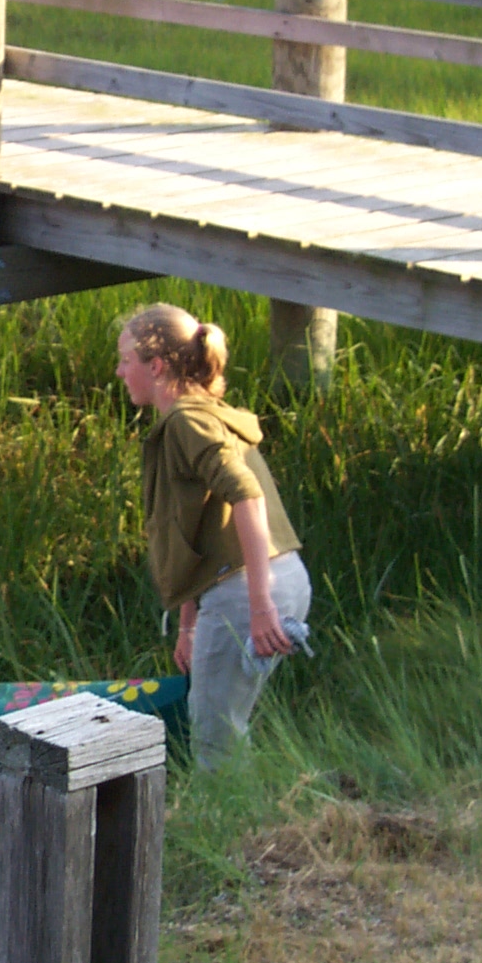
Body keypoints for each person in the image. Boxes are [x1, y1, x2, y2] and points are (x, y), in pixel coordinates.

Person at [115, 304, 311, 770]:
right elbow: (196, 527)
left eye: (126, 360)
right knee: (222, 722)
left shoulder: (187, 422)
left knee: (214, 738)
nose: (120, 372)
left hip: (246, 591)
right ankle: (256, 807)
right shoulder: (202, 413)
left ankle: (237, 815)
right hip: (276, 578)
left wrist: (260, 606)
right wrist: (188, 625)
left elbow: (246, 494)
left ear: (156, 366)